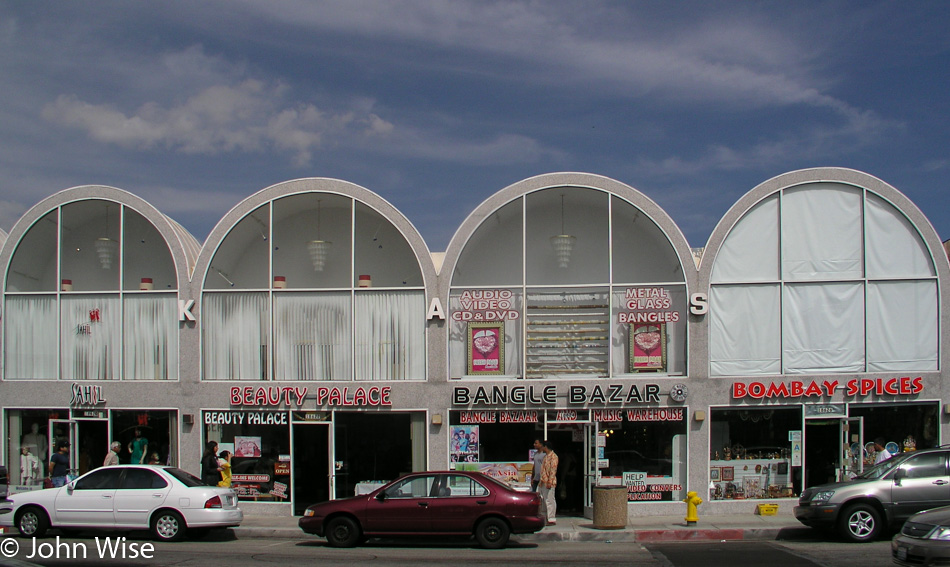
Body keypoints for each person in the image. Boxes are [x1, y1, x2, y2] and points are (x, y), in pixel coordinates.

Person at [539, 440, 559, 526]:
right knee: (543, 500)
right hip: (543, 482)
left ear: (545, 447)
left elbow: (553, 470)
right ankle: (544, 517)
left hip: (549, 482)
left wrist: (550, 482)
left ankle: (551, 519)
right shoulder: (545, 457)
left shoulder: (553, 457)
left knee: (550, 500)